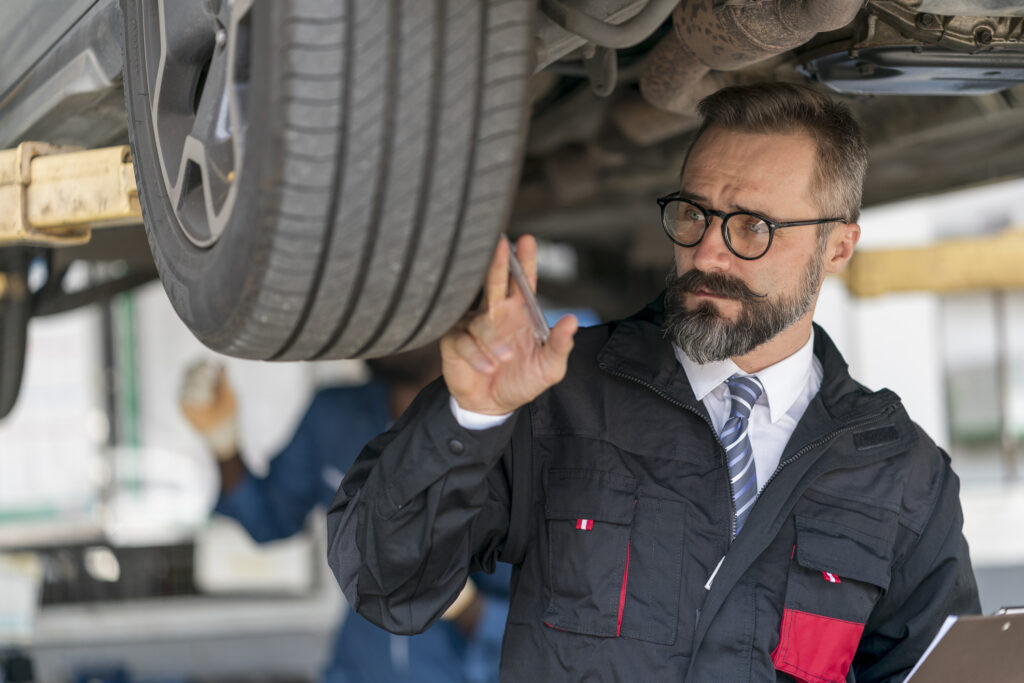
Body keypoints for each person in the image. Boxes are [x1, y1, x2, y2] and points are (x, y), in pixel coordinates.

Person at [326, 82, 980, 681]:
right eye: (693, 213)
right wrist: (469, 415)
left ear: (838, 247)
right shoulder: (558, 397)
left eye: (753, 226)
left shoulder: (901, 475)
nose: (707, 252)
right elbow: (388, 582)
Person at [179, 344, 510, 683]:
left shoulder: (514, 438)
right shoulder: (333, 416)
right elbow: (268, 520)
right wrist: (223, 443)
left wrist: (463, 605)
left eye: (407, 305)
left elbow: (551, 633)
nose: (389, 322)